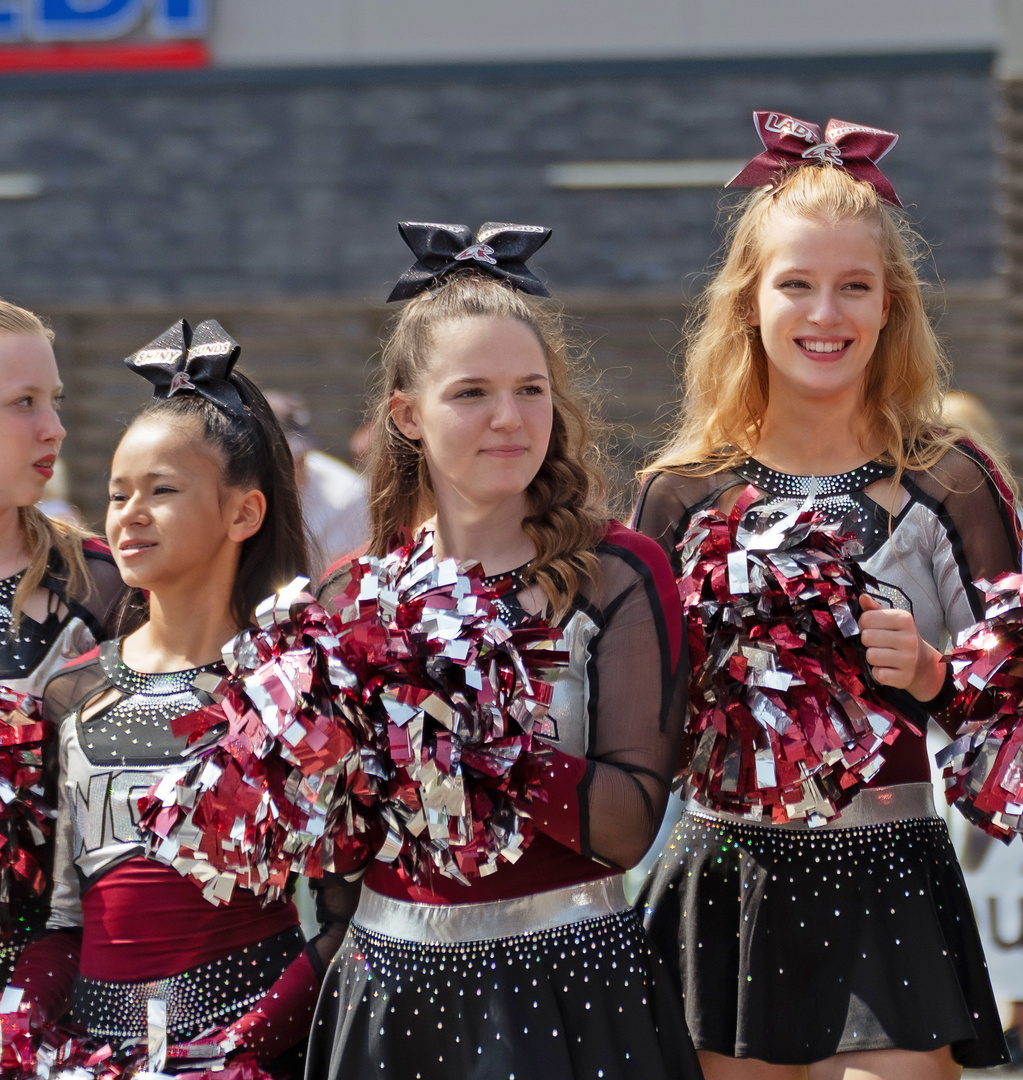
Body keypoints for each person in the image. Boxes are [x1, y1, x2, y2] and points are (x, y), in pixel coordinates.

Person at [633, 111, 1018, 1079]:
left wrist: (934, 677)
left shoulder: (952, 481)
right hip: (728, 878)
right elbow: (638, 727)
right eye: (796, 285)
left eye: (855, 287)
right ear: (747, 304)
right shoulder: (679, 491)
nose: (825, 314)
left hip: (892, 874)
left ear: (892, 306)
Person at [305, 222, 700, 1080]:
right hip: (389, 986)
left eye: (530, 389)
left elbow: (629, 826)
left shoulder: (620, 573)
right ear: (407, 415)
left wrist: (472, 732)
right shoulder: (348, 599)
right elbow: (334, 855)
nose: (510, 419)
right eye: (472, 393)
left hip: (571, 980)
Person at [7, 320, 343, 1074]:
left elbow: (345, 921)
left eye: (162, 491)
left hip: (252, 1053)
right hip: (96, 1056)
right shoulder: (71, 691)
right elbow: (63, 918)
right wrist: (21, 1021)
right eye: (118, 492)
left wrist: (233, 1048)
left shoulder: (292, 682)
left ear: (243, 513)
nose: (128, 513)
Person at [0, 301, 124, 990]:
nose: (55, 428)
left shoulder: (105, 584)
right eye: (23, 402)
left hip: (68, 991)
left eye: (54, 400)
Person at [263, 391, 368, 574]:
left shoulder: (349, 494)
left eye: (300, 457)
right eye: (285, 459)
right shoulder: (241, 487)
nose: (296, 468)